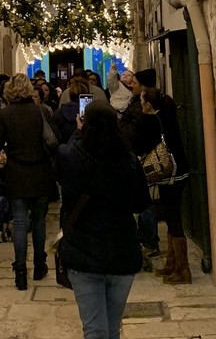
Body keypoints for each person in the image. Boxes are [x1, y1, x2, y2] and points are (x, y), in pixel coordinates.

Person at [54, 101, 151, 339]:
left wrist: (78, 133)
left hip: (83, 251)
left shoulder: (71, 157)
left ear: (84, 123)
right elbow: (141, 203)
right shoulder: (128, 161)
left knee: (94, 328)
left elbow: (63, 170)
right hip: (121, 251)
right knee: (111, 326)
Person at [0, 73, 55, 290]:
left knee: (20, 222)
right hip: (40, 170)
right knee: (39, 220)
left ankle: (21, 272)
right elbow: (52, 139)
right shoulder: (40, 111)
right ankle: (40, 264)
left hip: (16, 172)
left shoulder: (5, 115)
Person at [140, 87, 192, 284]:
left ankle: (182, 269)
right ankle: (173, 264)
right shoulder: (167, 117)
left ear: (148, 104)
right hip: (178, 172)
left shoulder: (155, 120)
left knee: (173, 218)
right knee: (172, 217)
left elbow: (146, 143)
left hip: (172, 175)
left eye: (142, 101)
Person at [120, 67, 162, 261]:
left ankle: (149, 241)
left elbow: (136, 133)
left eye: (134, 83)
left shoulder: (142, 107)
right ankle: (147, 239)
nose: (131, 85)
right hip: (135, 156)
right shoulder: (138, 103)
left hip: (138, 157)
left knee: (144, 202)